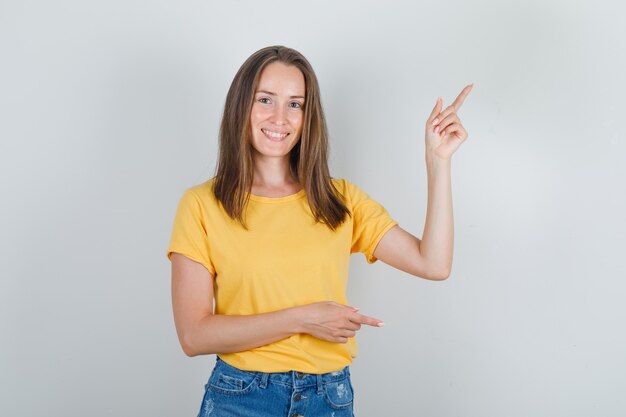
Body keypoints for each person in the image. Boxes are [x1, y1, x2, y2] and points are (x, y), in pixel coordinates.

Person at [166, 45, 472, 417]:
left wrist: (438, 162)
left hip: (328, 398)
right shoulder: (202, 204)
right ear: (240, 106)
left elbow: (434, 263)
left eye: (295, 104)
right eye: (266, 100)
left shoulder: (339, 199)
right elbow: (193, 336)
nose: (280, 117)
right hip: (241, 398)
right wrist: (303, 318)